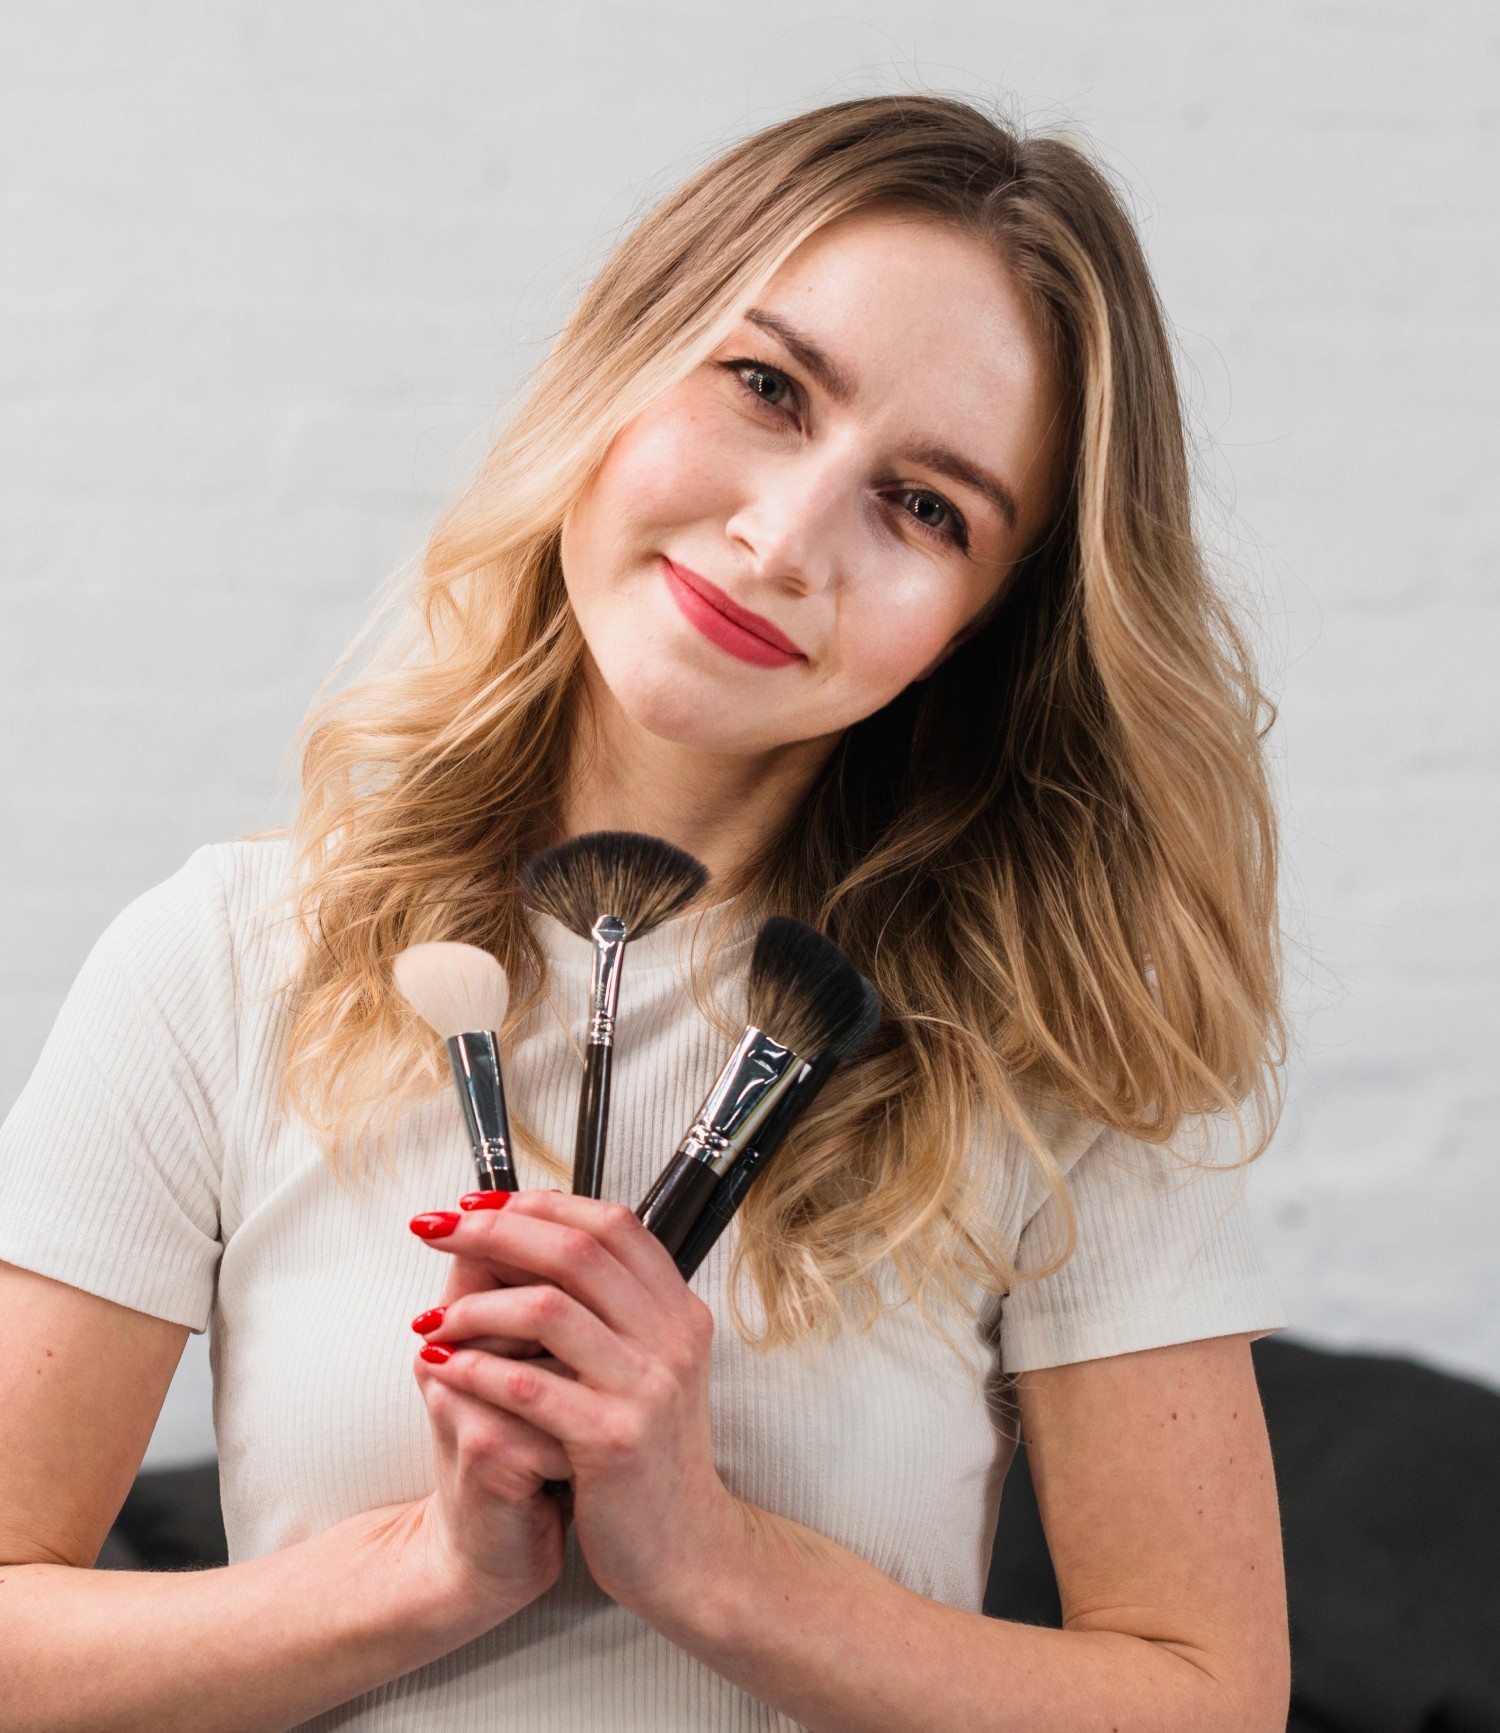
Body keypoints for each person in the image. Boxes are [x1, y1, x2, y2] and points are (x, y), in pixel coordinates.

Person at [0, 95, 1291, 1731]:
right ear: (624, 361)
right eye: (765, 387)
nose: (781, 538)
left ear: (984, 625)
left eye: (926, 506)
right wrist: (432, 1569)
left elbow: (1211, 1701)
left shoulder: (1057, 1054)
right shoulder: (222, 960)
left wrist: (711, 1562)